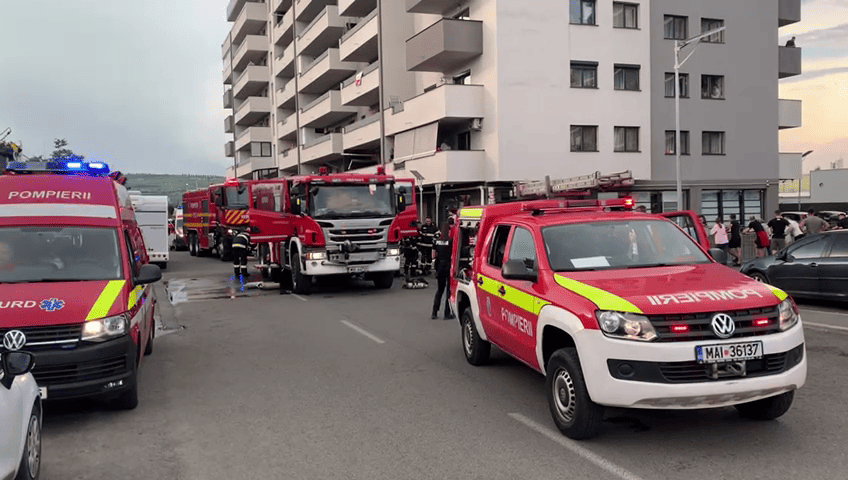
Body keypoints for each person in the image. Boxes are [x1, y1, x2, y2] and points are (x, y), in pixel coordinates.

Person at [431, 224, 455, 320]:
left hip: (439, 266)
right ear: (448, 231)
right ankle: (447, 313)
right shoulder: (450, 241)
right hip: (448, 266)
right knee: (448, 291)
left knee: (439, 290)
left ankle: (434, 312)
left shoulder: (436, 242)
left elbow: (433, 255)